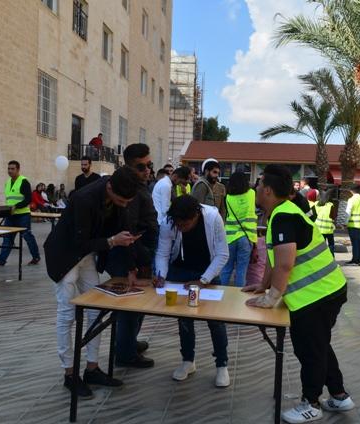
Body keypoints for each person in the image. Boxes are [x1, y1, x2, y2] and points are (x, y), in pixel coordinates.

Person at [244, 165, 353, 423]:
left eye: (259, 185)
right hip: (326, 291)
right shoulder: (281, 213)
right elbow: (274, 259)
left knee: (310, 350)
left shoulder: (283, 216)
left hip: (316, 296)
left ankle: (311, 403)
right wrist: (263, 285)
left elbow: (285, 264)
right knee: (319, 344)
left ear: (267, 190)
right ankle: (339, 395)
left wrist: (271, 298)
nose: (256, 189)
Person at [44, 167, 141, 397]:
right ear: (110, 187)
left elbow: (125, 231)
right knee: (67, 314)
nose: (124, 205)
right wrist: (112, 241)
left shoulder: (119, 197)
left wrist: (131, 268)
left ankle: (92, 368)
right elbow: (80, 242)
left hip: (86, 255)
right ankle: (69, 373)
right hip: (65, 256)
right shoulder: (84, 198)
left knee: (96, 310)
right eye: (121, 201)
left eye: (127, 202)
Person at [154, 195, 230, 387]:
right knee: (184, 319)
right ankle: (188, 360)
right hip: (181, 271)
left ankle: (222, 364)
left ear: (196, 215)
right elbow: (163, 252)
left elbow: (222, 254)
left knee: (216, 320)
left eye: (185, 224)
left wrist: (204, 280)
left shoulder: (212, 217)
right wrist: (161, 275)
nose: (181, 227)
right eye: (178, 224)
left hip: (208, 271)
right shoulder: (169, 222)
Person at [107, 144, 158, 368]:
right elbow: (128, 230)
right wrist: (134, 265)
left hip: (142, 252)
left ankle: (128, 342)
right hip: (132, 255)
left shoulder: (141, 186)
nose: (147, 170)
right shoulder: (129, 190)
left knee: (138, 303)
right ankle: (125, 352)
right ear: (128, 166)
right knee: (130, 304)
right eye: (141, 167)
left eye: (149, 165)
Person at [0, 161, 41, 267]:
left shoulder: (24, 181)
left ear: (18, 169)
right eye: (9, 169)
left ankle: (36, 257)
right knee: (7, 238)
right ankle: (1, 261)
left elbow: (28, 199)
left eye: (12, 169)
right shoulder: (7, 182)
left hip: (23, 215)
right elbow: (10, 200)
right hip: (10, 215)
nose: (10, 171)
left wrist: (16, 206)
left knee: (27, 236)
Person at [220, 172, 257, 287]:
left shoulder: (228, 197)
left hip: (230, 236)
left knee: (226, 269)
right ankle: (239, 295)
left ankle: (222, 292)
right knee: (241, 270)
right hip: (246, 236)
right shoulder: (252, 193)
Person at [344, 186, 360, 266]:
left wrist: (345, 222)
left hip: (353, 224)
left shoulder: (351, 200)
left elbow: (348, 212)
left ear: (351, 191)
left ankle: (355, 260)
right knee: (358, 242)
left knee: (355, 243)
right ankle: (358, 259)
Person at [314, 189, 337, 254]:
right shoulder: (331, 205)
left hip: (319, 229)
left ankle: (321, 256)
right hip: (329, 229)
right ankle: (331, 257)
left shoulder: (316, 204)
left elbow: (315, 214)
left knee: (320, 245)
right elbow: (333, 217)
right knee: (331, 244)